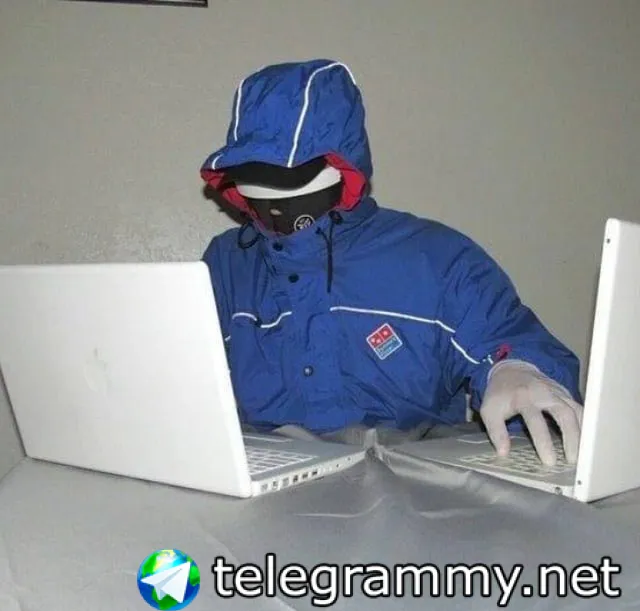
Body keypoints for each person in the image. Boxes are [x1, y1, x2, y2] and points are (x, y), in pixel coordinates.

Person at [199, 59, 583, 466]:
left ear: (342, 166)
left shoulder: (435, 258)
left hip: (413, 484)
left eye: (289, 172)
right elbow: (178, 377)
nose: (271, 196)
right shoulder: (225, 266)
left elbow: (504, 334)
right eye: (255, 174)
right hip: (264, 482)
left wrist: (517, 368)